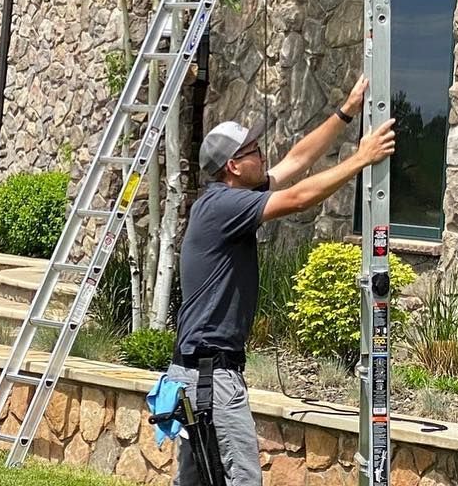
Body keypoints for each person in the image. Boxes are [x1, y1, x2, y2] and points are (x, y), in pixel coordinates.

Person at [164, 75, 395, 485]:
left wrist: (346, 111)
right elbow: (299, 197)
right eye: (253, 151)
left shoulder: (225, 199)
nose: (262, 155)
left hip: (198, 374)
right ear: (233, 166)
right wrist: (361, 159)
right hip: (210, 378)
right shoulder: (223, 206)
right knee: (242, 480)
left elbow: (296, 162)